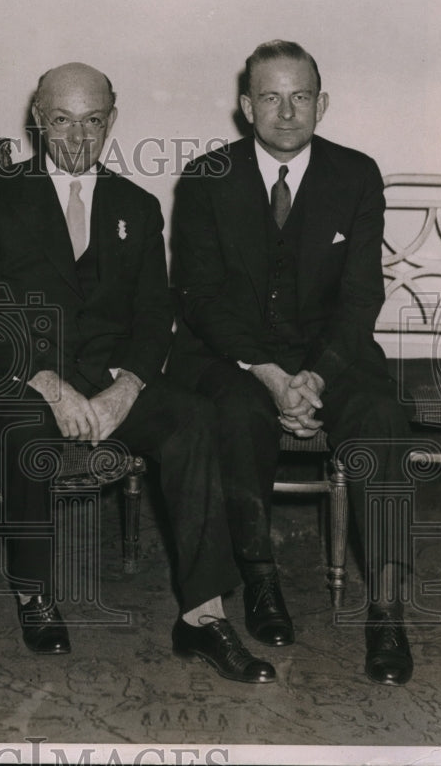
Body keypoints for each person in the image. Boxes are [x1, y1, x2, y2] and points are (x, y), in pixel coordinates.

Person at [0, 62, 274, 683]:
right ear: (37, 121)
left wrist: (126, 387)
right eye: (63, 122)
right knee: (21, 424)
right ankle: (34, 592)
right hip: (29, 380)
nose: (77, 140)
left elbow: (155, 314)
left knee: (193, 416)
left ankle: (203, 617)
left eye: (93, 123)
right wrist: (47, 382)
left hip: (111, 383)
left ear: (112, 122)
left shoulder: (138, 205)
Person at [169, 40, 414, 685]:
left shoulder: (355, 174)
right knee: (232, 412)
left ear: (321, 104)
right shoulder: (204, 177)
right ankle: (260, 581)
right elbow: (198, 298)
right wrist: (268, 373)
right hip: (237, 357)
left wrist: (317, 376)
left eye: (300, 97)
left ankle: (386, 611)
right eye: (271, 98)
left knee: (382, 418)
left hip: (329, 356)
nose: (286, 113)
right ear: (246, 106)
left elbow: (362, 294)